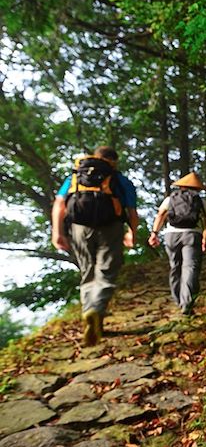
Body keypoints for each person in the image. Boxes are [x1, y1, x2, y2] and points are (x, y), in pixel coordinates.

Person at [51, 146, 139, 347]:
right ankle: (96, 310)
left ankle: (88, 312)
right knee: (106, 271)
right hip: (111, 226)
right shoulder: (119, 179)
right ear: (113, 161)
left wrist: (58, 233)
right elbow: (132, 211)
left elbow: (59, 205)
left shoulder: (75, 177)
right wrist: (131, 232)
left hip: (79, 227)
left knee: (87, 270)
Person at [148, 172, 206, 316]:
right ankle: (187, 304)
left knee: (175, 267)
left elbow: (160, 215)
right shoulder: (201, 201)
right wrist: (205, 240)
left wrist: (154, 233)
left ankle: (178, 300)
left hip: (171, 236)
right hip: (192, 235)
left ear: (181, 186)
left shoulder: (170, 199)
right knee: (190, 268)